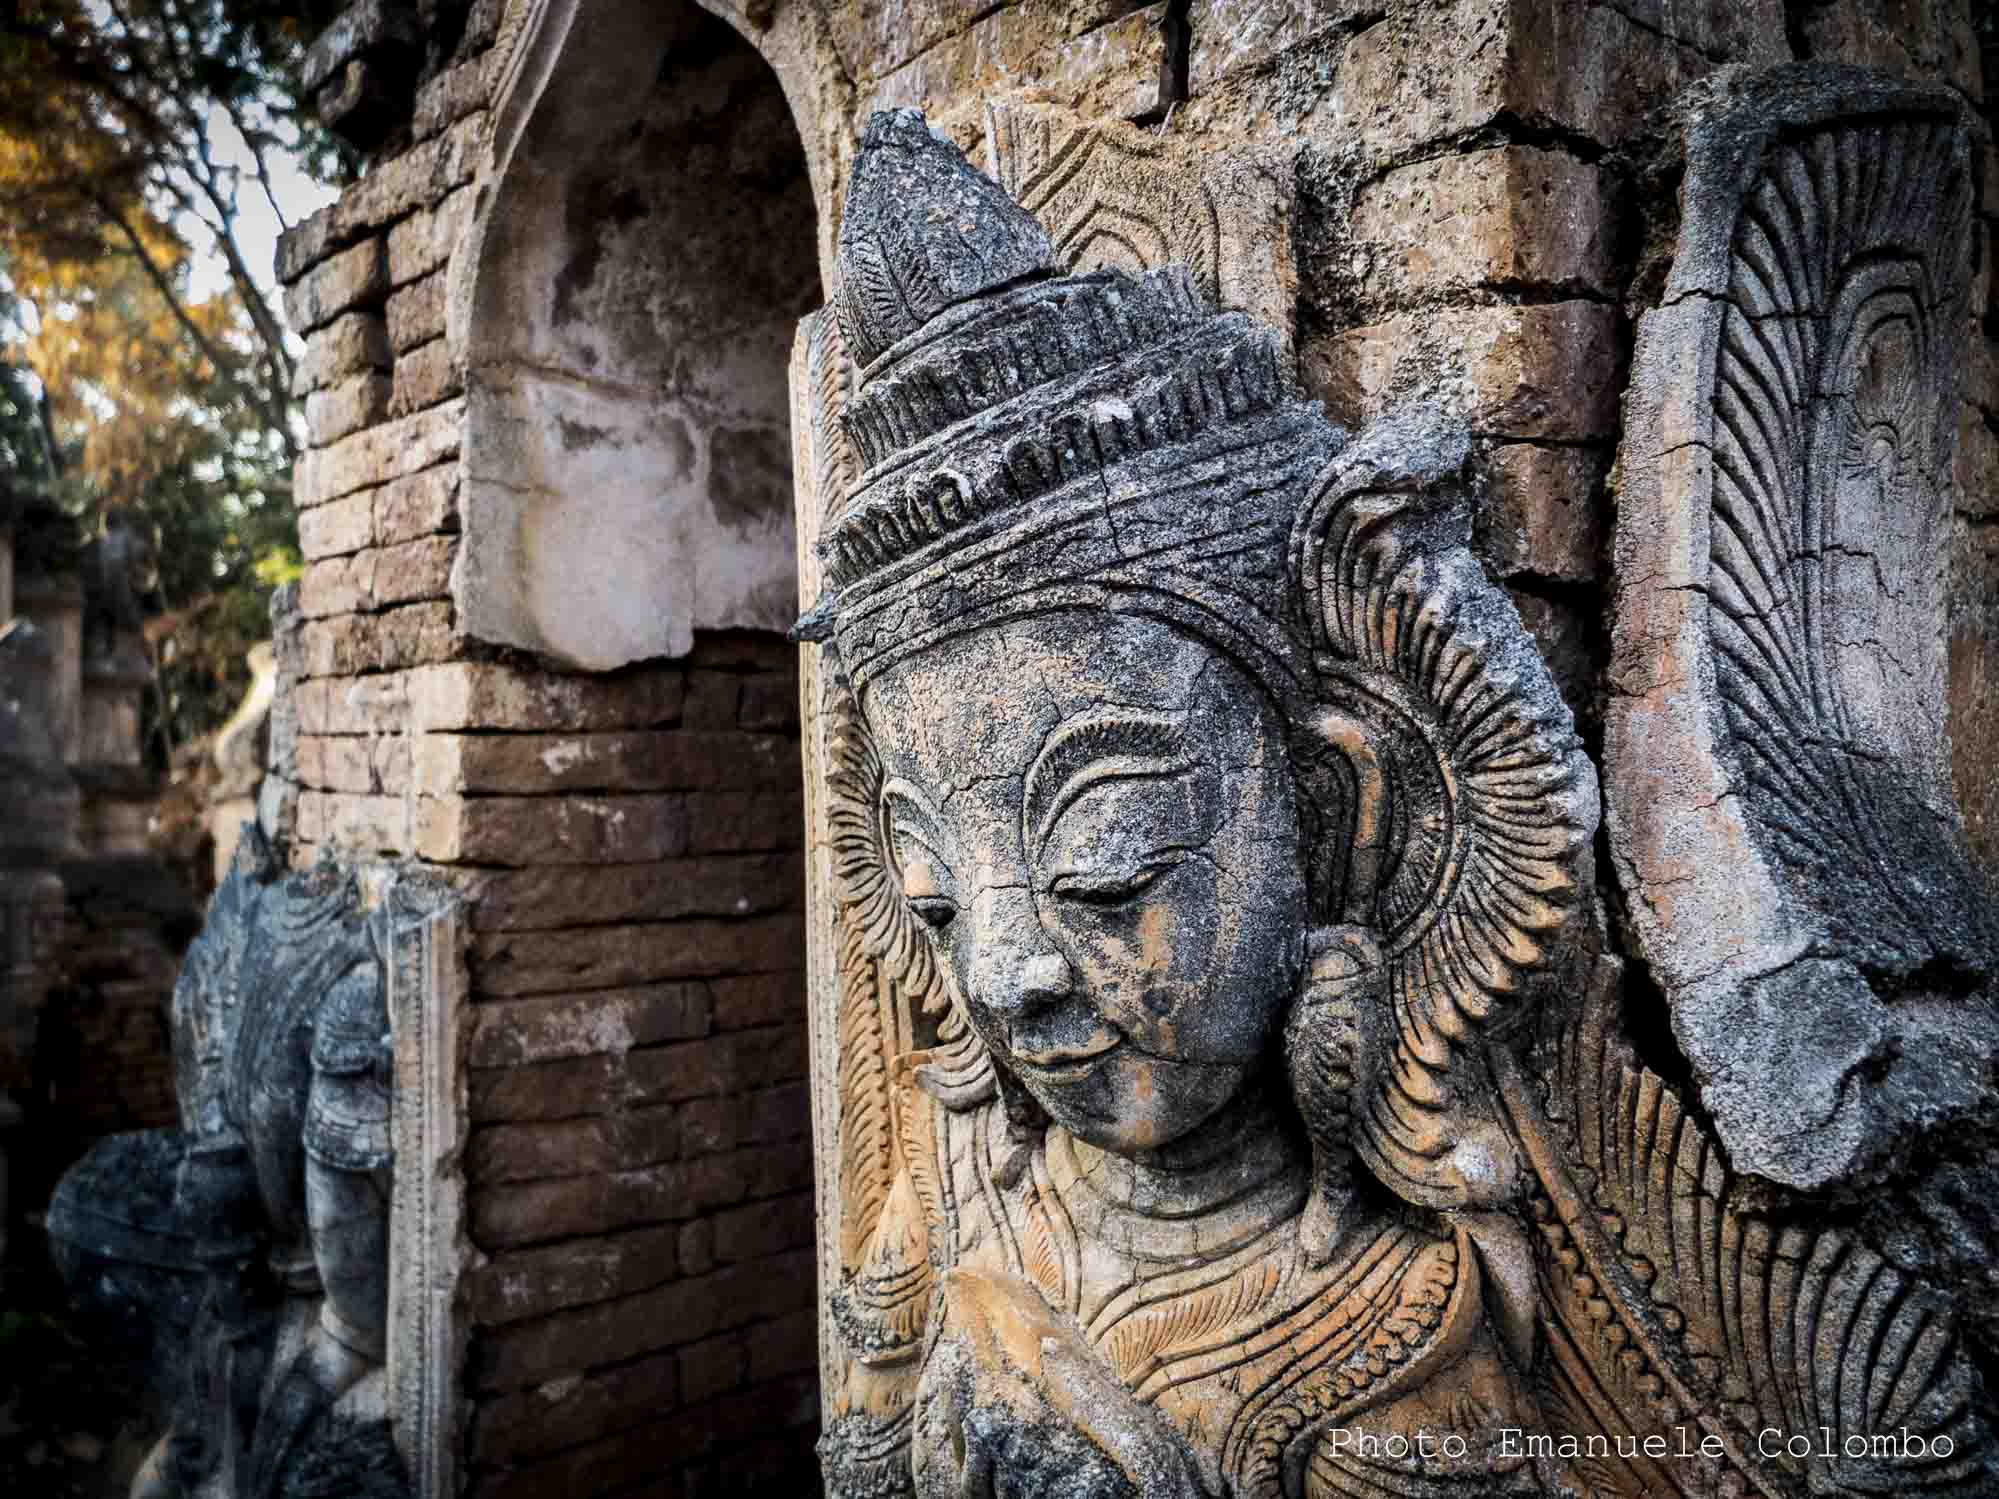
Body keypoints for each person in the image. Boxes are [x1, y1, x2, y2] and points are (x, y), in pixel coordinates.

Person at [804, 110, 1598, 1499]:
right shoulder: (948, 1231)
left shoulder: (1395, 1340)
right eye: (937, 900)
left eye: (1107, 874)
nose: (1001, 977)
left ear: (1328, 810)